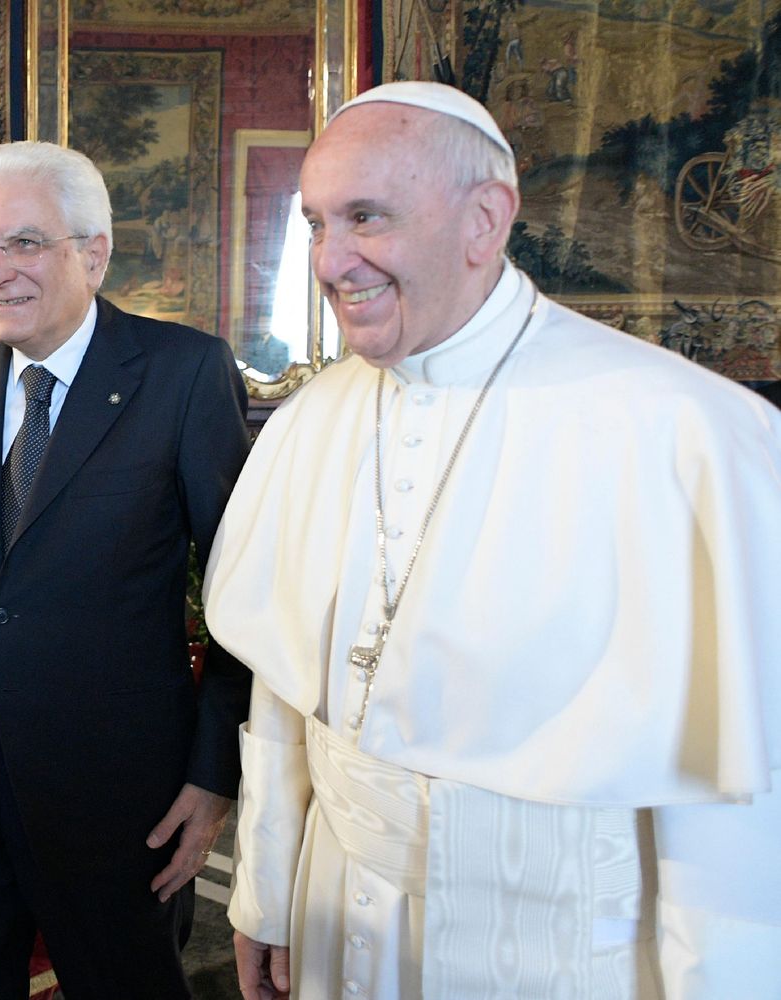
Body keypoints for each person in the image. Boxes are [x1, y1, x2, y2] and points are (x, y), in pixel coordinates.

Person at [203, 81, 781, 1000]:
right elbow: (287, 696)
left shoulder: (685, 434)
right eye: (315, 222)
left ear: (485, 220)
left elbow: (732, 808)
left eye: (366, 217)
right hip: (335, 913)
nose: (329, 260)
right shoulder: (313, 419)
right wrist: (265, 895)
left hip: (555, 952)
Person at [0, 141, 253, 999]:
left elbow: (241, 594)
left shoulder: (184, 373)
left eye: (23, 243)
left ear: (93, 252)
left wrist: (212, 778)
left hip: (119, 795)